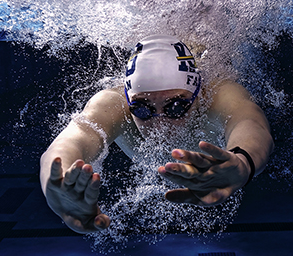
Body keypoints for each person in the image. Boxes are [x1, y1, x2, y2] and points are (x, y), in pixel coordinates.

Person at [40, 35, 274, 234]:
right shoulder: (115, 104)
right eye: (143, 109)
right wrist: (56, 181)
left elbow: (251, 123)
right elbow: (75, 136)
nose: (159, 123)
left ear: (199, 95)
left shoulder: (219, 95)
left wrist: (243, 161)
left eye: (176, 107)